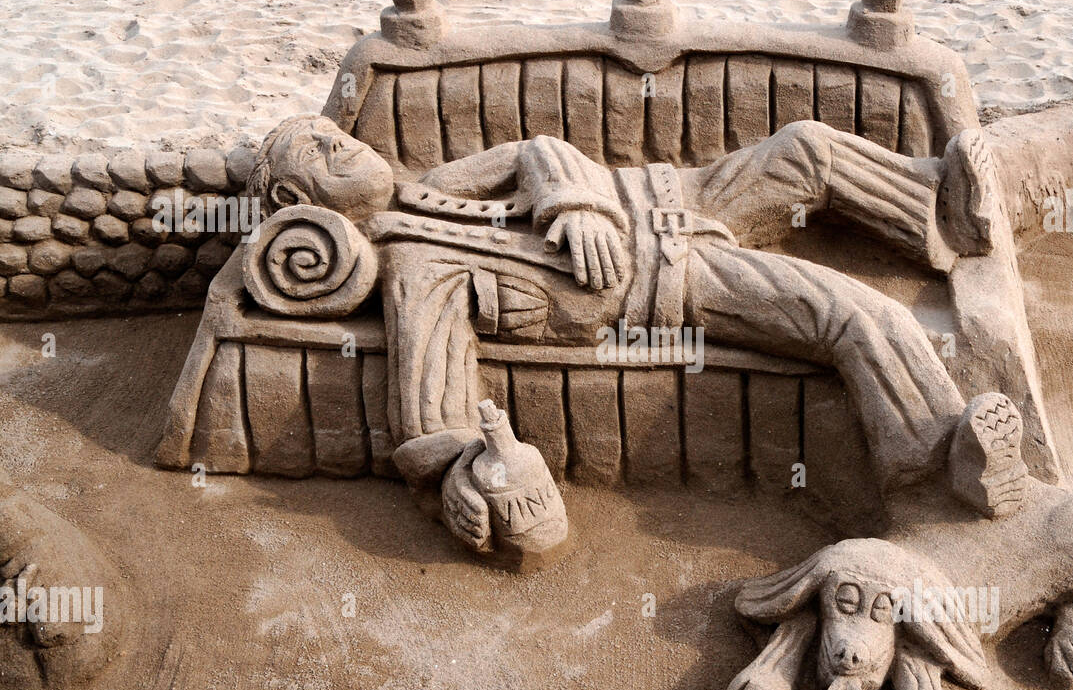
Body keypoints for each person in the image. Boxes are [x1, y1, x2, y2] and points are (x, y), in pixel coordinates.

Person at [245, 115, 993, 550]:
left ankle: (939, 213)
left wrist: (574, 201)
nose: (341, 143)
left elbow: (533, 150)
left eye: (333, 131)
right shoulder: (413, 263)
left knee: (807, 146)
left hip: (674, 193)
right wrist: (462, 477)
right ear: (293, 197)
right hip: (671, 274)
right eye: (319, 150)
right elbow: (431, 402)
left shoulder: (433, 181)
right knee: (863, 315)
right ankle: (932, 473)